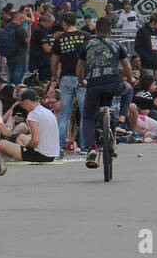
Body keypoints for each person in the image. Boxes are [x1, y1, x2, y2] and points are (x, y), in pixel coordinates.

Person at [78, 16, 132, 169]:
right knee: (129, 90)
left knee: (88, 117)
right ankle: (121, 120)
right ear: (111, 30)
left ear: (96, 30)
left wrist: (81, 81)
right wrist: (130, 77)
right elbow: (126, 66)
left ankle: (91, 149)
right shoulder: (116, 44)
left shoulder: (88, 45)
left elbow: (80, 66)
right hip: (114, 84)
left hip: (94, 85)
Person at [50, 10, 89, 153]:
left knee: (65, 113)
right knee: (85, 113)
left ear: (64, 23)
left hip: (66, 77)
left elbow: (54, 61)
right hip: (82, 78)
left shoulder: (60, 39)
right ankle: (86, 145)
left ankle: (59, 147)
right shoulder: (86, 37)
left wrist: (55, 75)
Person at [0, 89, 60, 163]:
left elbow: (35, 141)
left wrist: (26, 147)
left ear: (26, 102)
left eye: (22, 104)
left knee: (1, 143)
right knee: (20, 137)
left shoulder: (33, 114)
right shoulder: (48, 112)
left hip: (40, 155)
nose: (23, 107)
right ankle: (20, 153)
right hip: (52, 154)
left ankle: (16, 156)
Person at [0, 7, 30, 86]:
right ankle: (16, 96)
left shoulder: (7, 26)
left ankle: (10, 94)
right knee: (18, 82)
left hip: (9, 57)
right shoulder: (20, 28)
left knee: (11, 80)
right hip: (20, 58)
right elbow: (28, 41)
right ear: (21, 18)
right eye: (24, 18)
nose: (25, 20)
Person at [134, 12, 157, 81]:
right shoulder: (142, 31)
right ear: (154, 22)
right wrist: (148, 58)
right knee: (148, 85)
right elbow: (137, 47)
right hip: (147, 65)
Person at [28, 12, 54, 83]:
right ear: (46, 22)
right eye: (52, 23)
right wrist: (57, 48)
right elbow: (47, 49)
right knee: (45, 82)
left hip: (37, 61)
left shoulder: (37, 29)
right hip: (42, 63)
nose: (52, 25)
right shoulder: (41, 31)